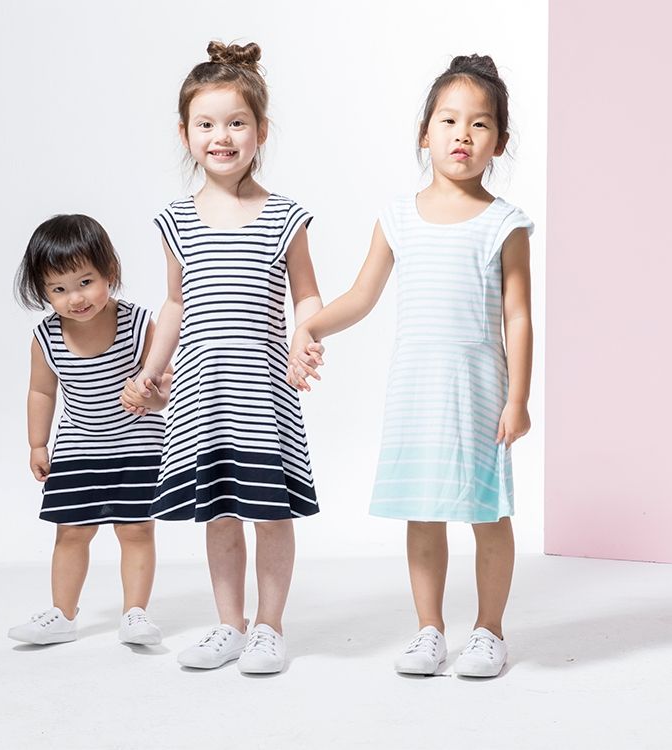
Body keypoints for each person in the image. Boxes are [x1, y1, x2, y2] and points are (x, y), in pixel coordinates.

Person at [289, 55, 534, 678]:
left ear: (499, 141)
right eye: (448, 120)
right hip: (416, 391)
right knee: (422, 512)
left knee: (486, 512)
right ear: (425, 133)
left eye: (480, 124)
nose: (462, 134)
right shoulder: (397, 217)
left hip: (479, 393)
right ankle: (430, 630)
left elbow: (518, 317)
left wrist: (518, 399)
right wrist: (311, 326)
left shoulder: (504, 223)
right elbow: (361, 296)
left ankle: (490, 630)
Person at [121, 41, 324, 674]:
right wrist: (150, 369)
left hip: (263, 394)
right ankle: (229, 624)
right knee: (219, 515)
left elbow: (307, 294)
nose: (222, 137)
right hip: (201, 395)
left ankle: (269, 627)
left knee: (270, 512)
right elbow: (174, 306)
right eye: (206, 124)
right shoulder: (176, 220)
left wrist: (306, 338)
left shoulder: (285, 217)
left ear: (261, 130)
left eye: (236, 122)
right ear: (185, 134)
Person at [9, 214, 170, 646]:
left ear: (109, 272)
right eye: (58, 289)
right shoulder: (46, 336)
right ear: (42, 291)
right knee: (70, 531)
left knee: (136, 529)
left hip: (137, 445)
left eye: (85, 282)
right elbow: (41, 392)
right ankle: (62, 614)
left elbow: (166, 384)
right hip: (78, 447)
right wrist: (37, 444)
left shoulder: (138, 323)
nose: (75, 298)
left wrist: (151, 396)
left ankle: (135, 613)